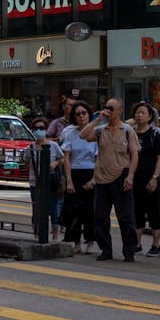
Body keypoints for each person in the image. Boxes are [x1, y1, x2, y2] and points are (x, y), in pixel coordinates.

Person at [80, 97, 140, 262]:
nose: (108, 111)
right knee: (100, 217)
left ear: (120, 111)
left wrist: (130, 175)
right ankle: (105, 250)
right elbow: (83, 135)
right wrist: (97, 119)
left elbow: (134, 154)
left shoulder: (127, 130)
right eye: (106, 107)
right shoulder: (100, 130)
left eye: (112, 108)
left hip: (121, 176)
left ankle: (129, 251)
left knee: (126, 217)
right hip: (101, 179)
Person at [60, 101, 98, 254]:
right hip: (74, 173)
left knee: (90, 210)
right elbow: (66, 159)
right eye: (78, 114)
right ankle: (75, 241)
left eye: (84, 113)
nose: (81, 116)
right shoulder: (69, 132)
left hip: (91, 173)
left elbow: (98, 159)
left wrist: (94, 179)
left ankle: (90, 240)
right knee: (73, 210)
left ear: (89, 114)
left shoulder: (96, 132)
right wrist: (69, 181)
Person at [131, 101, 160, 257]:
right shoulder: (131, 132)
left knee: (153, 211)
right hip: (134, 178)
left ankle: (155, 244)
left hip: (151, 178)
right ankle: (137, 244)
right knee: (136, 211)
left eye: (143, 113)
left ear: (150, 116)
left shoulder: (155, 134)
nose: (139, 115)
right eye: (137, 113)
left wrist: (155, 178)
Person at [22, 116, 65, 243]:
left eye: (41, 128)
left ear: (46, 129)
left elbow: (62, 158)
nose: (38, 131)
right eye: (35, 128)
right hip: (35, 182)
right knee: (37, 207)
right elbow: (26, 162)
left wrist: (55, 164)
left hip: (51, 181)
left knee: (53, 208)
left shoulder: (53, 145)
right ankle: (37, 231)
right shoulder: (31, 147)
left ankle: (55, 232)